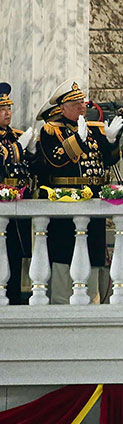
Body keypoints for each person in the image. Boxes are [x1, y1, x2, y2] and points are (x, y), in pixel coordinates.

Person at [37, 79, 123, 303]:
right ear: (62, 108)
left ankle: (92, 300)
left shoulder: (92, 129)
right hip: (66, 202)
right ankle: (61, 300)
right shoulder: (51, 130)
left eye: (82, 102)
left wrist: (111, 141)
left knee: (93, 253)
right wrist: (77, 140)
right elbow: (54, 160)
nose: (82, 107)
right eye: (75, 104)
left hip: (92, 199)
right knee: (65, 254)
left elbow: (106, 160)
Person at [0, 83, 36, 304]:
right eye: (2, 108)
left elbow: (35, 169)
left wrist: (31, 153)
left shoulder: (16, 136)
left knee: (17, 256)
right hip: (2, 210)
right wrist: (18, 149)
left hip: (19, 207)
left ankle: (15, 298)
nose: (7, 113)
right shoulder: (15, 142)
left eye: (9, 108)